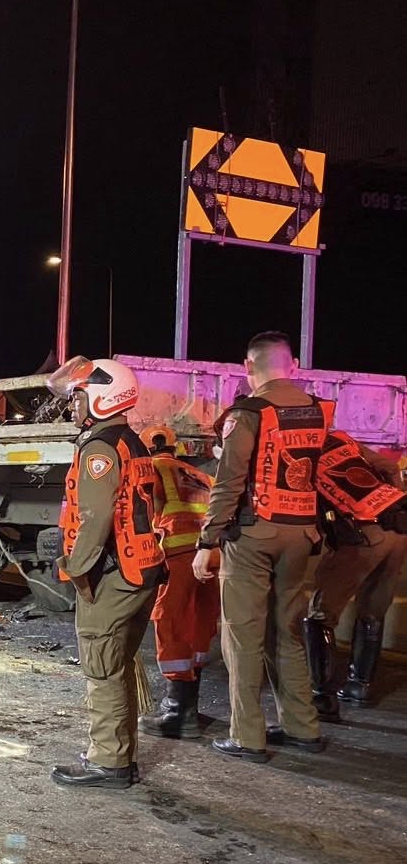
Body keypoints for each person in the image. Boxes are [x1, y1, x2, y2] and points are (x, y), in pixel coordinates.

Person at [194, 331, 332, 761]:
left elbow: (229, 483)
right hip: (302, 534)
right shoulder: (317, 410)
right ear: (293, 365)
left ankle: (247, 736)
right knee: (287, 632)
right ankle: (302, 727)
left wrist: (207, 540)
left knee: (242, 636)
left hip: (254, 535)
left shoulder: (248, 412)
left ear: (248, 366)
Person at [47, 356, 166, 789]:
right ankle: (120, 757)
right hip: (142, 569)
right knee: (118, 666)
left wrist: (75, 569)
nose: (72, 406)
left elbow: (95, 518)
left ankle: (109, 763)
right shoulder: (132, 442)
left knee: (102, 669)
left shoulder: (100, 448)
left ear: (102, 396)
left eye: (78, 397)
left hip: (114, 575)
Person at [304, 429, 407, 716]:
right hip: (397, 526)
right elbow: (389, 467)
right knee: (373, 609)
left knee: (320, 613)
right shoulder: (341, 439)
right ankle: (360, 685)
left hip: (362, 533)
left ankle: (321, 695)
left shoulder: (295, 449)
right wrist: (390, 502)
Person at [138, 423, 220, 739]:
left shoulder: (150, 469)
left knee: (171, 626)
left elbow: (146, 512)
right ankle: (188, 708)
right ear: (174, 447)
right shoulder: (200, 474)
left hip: (177, 557)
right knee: (199, 626)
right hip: (210, 558)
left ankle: (177, 712)